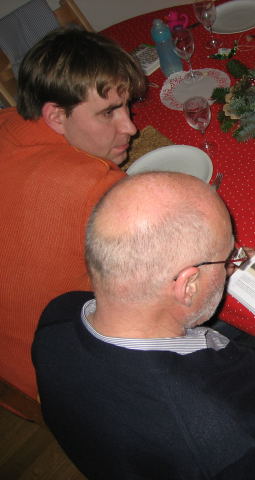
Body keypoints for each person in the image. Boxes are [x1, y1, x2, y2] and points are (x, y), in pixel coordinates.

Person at [32, 172, 255, 479]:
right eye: (227, 257)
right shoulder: (232, 428)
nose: (233, 264)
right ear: (187, 285)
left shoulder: (57, 318)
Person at [0, 25, 145, 414]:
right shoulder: (94, 186)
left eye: (126, 106)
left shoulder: (8, 119)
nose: (130, 127)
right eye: (108, 113)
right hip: (65, 379)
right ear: (56, 115)